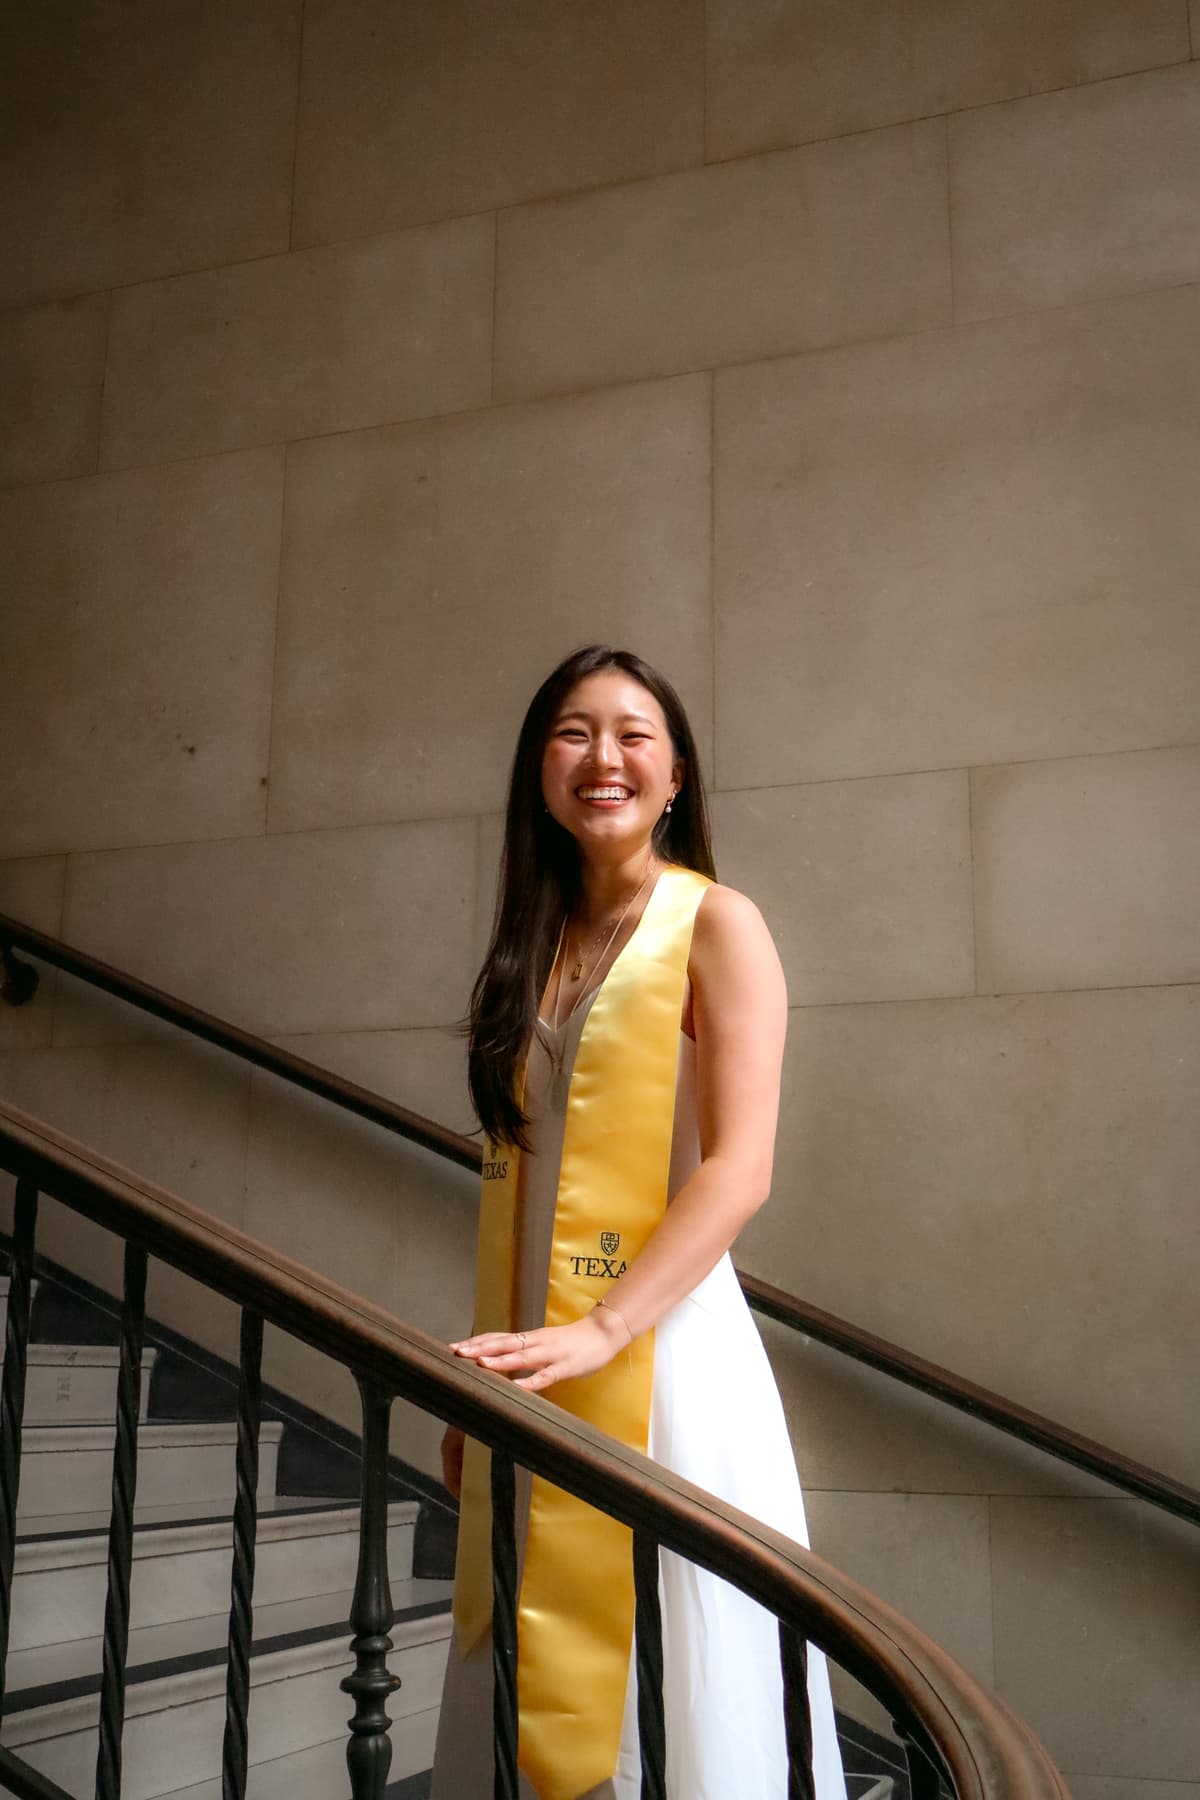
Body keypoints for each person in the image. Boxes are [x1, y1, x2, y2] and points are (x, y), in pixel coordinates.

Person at [432, 645, 845, 1800]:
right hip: (545, 1358)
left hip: (664, 1359)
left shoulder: (719, 924)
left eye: (633, 734)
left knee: (670, 1697)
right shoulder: (534, 947)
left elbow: (741, 1167)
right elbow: (527, 1186)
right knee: (519, 1675)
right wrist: (505, 1357)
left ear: (675, 779)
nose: (601, 757)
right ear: (538, 771)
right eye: (571, 731)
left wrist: (604, 1330)